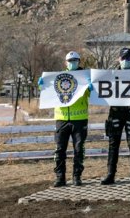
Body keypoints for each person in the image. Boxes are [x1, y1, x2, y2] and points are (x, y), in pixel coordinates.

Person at [101, 47, 130, 185]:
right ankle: (110, 175)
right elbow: (101, 89)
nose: (125, 60)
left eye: (128, 58)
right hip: (116, 113)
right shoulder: (111, 74)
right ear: (119, 59)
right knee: (113, 145)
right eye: (123, 58)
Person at [53, 51, 90, 187]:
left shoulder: (86, 77)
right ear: (65, 62)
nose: (72, 63)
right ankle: (60, 177)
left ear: (79, 62)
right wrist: (42, 85)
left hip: (80, 118)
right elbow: (48, 92)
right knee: (59, 149)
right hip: (61, 118)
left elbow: (95, 93)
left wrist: (91, 86)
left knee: (79, 149)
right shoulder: (58, 77)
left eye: (75, 60)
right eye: (69, 60)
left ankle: (77, 176)